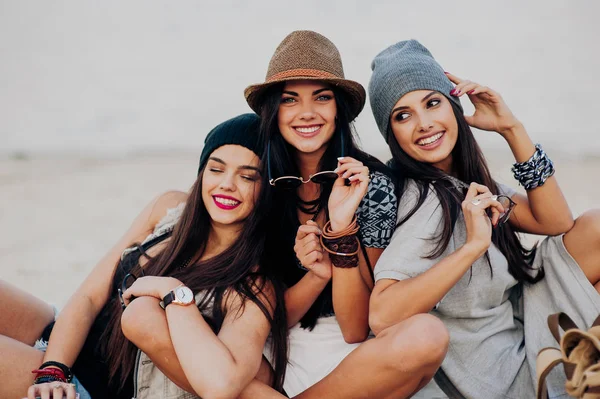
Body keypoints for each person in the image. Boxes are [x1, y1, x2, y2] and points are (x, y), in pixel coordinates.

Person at [368, 39, 600, 398]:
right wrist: (473, 246)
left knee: (595, 228)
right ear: (391, 133)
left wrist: (511, 129)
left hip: (517, 333)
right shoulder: (425, 201)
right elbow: (382, 314)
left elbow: (555, 222)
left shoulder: (462, 182)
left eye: (432, 103)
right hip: (494, 380)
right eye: (403, 115)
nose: (424, 123)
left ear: (454, 105)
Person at [0, 114, 287, 399]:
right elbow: (89, 296)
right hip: (68, 341)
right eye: (216, 169)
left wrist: (173, 292)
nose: (226, 184)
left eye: (248, 176)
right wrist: (54, 368)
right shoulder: (169, 210)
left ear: (267, 190)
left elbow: (225, 381)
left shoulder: (252, 284)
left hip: (91, 389)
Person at [239, 30, 449, 399]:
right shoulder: (257, 179)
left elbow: (355, 328)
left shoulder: (373, 185)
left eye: (321, 98)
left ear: (338, 108)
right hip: (271, 340)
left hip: (346, 351)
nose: (307, 113)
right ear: (274, 110)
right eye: (291, 100)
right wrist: (316, 277)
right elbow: (262, 318)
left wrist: (341, 228)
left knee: (426, 336)